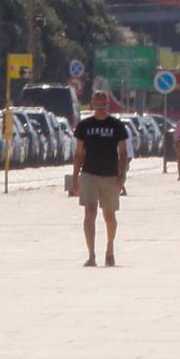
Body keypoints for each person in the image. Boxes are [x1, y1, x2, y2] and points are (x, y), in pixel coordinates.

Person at [71, 91, 133, 268]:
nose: (100, 110)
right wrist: (75, 178)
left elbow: (123, 153)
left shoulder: (116, 126)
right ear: (92, 105)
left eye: (103, 106)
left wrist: (122, 176)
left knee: (109, 215)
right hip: (89, 174)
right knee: (90, 211)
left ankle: (110, 248)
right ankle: (91, 254)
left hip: (110, 176)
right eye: (97, 106)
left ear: (108, 105)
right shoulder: (84, 126)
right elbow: (78, 153)